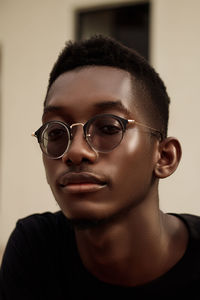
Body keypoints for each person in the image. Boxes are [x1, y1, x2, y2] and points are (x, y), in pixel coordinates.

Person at [0, 35, 200, 299]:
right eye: (57, 133)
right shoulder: (36, 248)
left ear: (164, 157)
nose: (75, 152)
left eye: (108, 128)